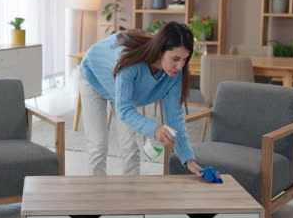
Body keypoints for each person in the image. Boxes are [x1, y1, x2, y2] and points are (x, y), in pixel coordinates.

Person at [79, 21, 204, 177]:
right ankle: (95, 194)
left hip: (124, 89)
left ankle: (131, 194)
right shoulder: (130, 63)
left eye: (184, 60)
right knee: (98, 145)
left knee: (130, 147)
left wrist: (189, 160)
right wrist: (155, 129)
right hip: (94, 77)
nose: (179, 66)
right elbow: (124, 110)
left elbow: (175, 118)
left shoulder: (175, 74)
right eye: (175, 58)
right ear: (160, 51)